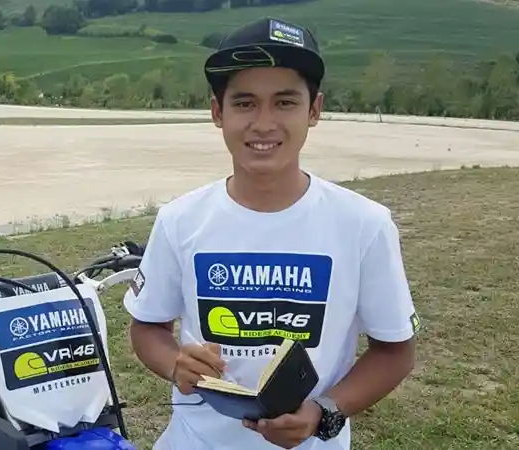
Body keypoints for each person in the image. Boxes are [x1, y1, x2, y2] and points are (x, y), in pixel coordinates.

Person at [122, 16, 420, 450]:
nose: (263, 123)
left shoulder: (364, 224)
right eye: (244, 103)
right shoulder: (179, 219)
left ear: (314, 110)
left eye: (284, 102)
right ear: (217, 112)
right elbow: (148, 326)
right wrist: (175, 364)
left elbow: (395, 351)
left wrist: (324, 412)